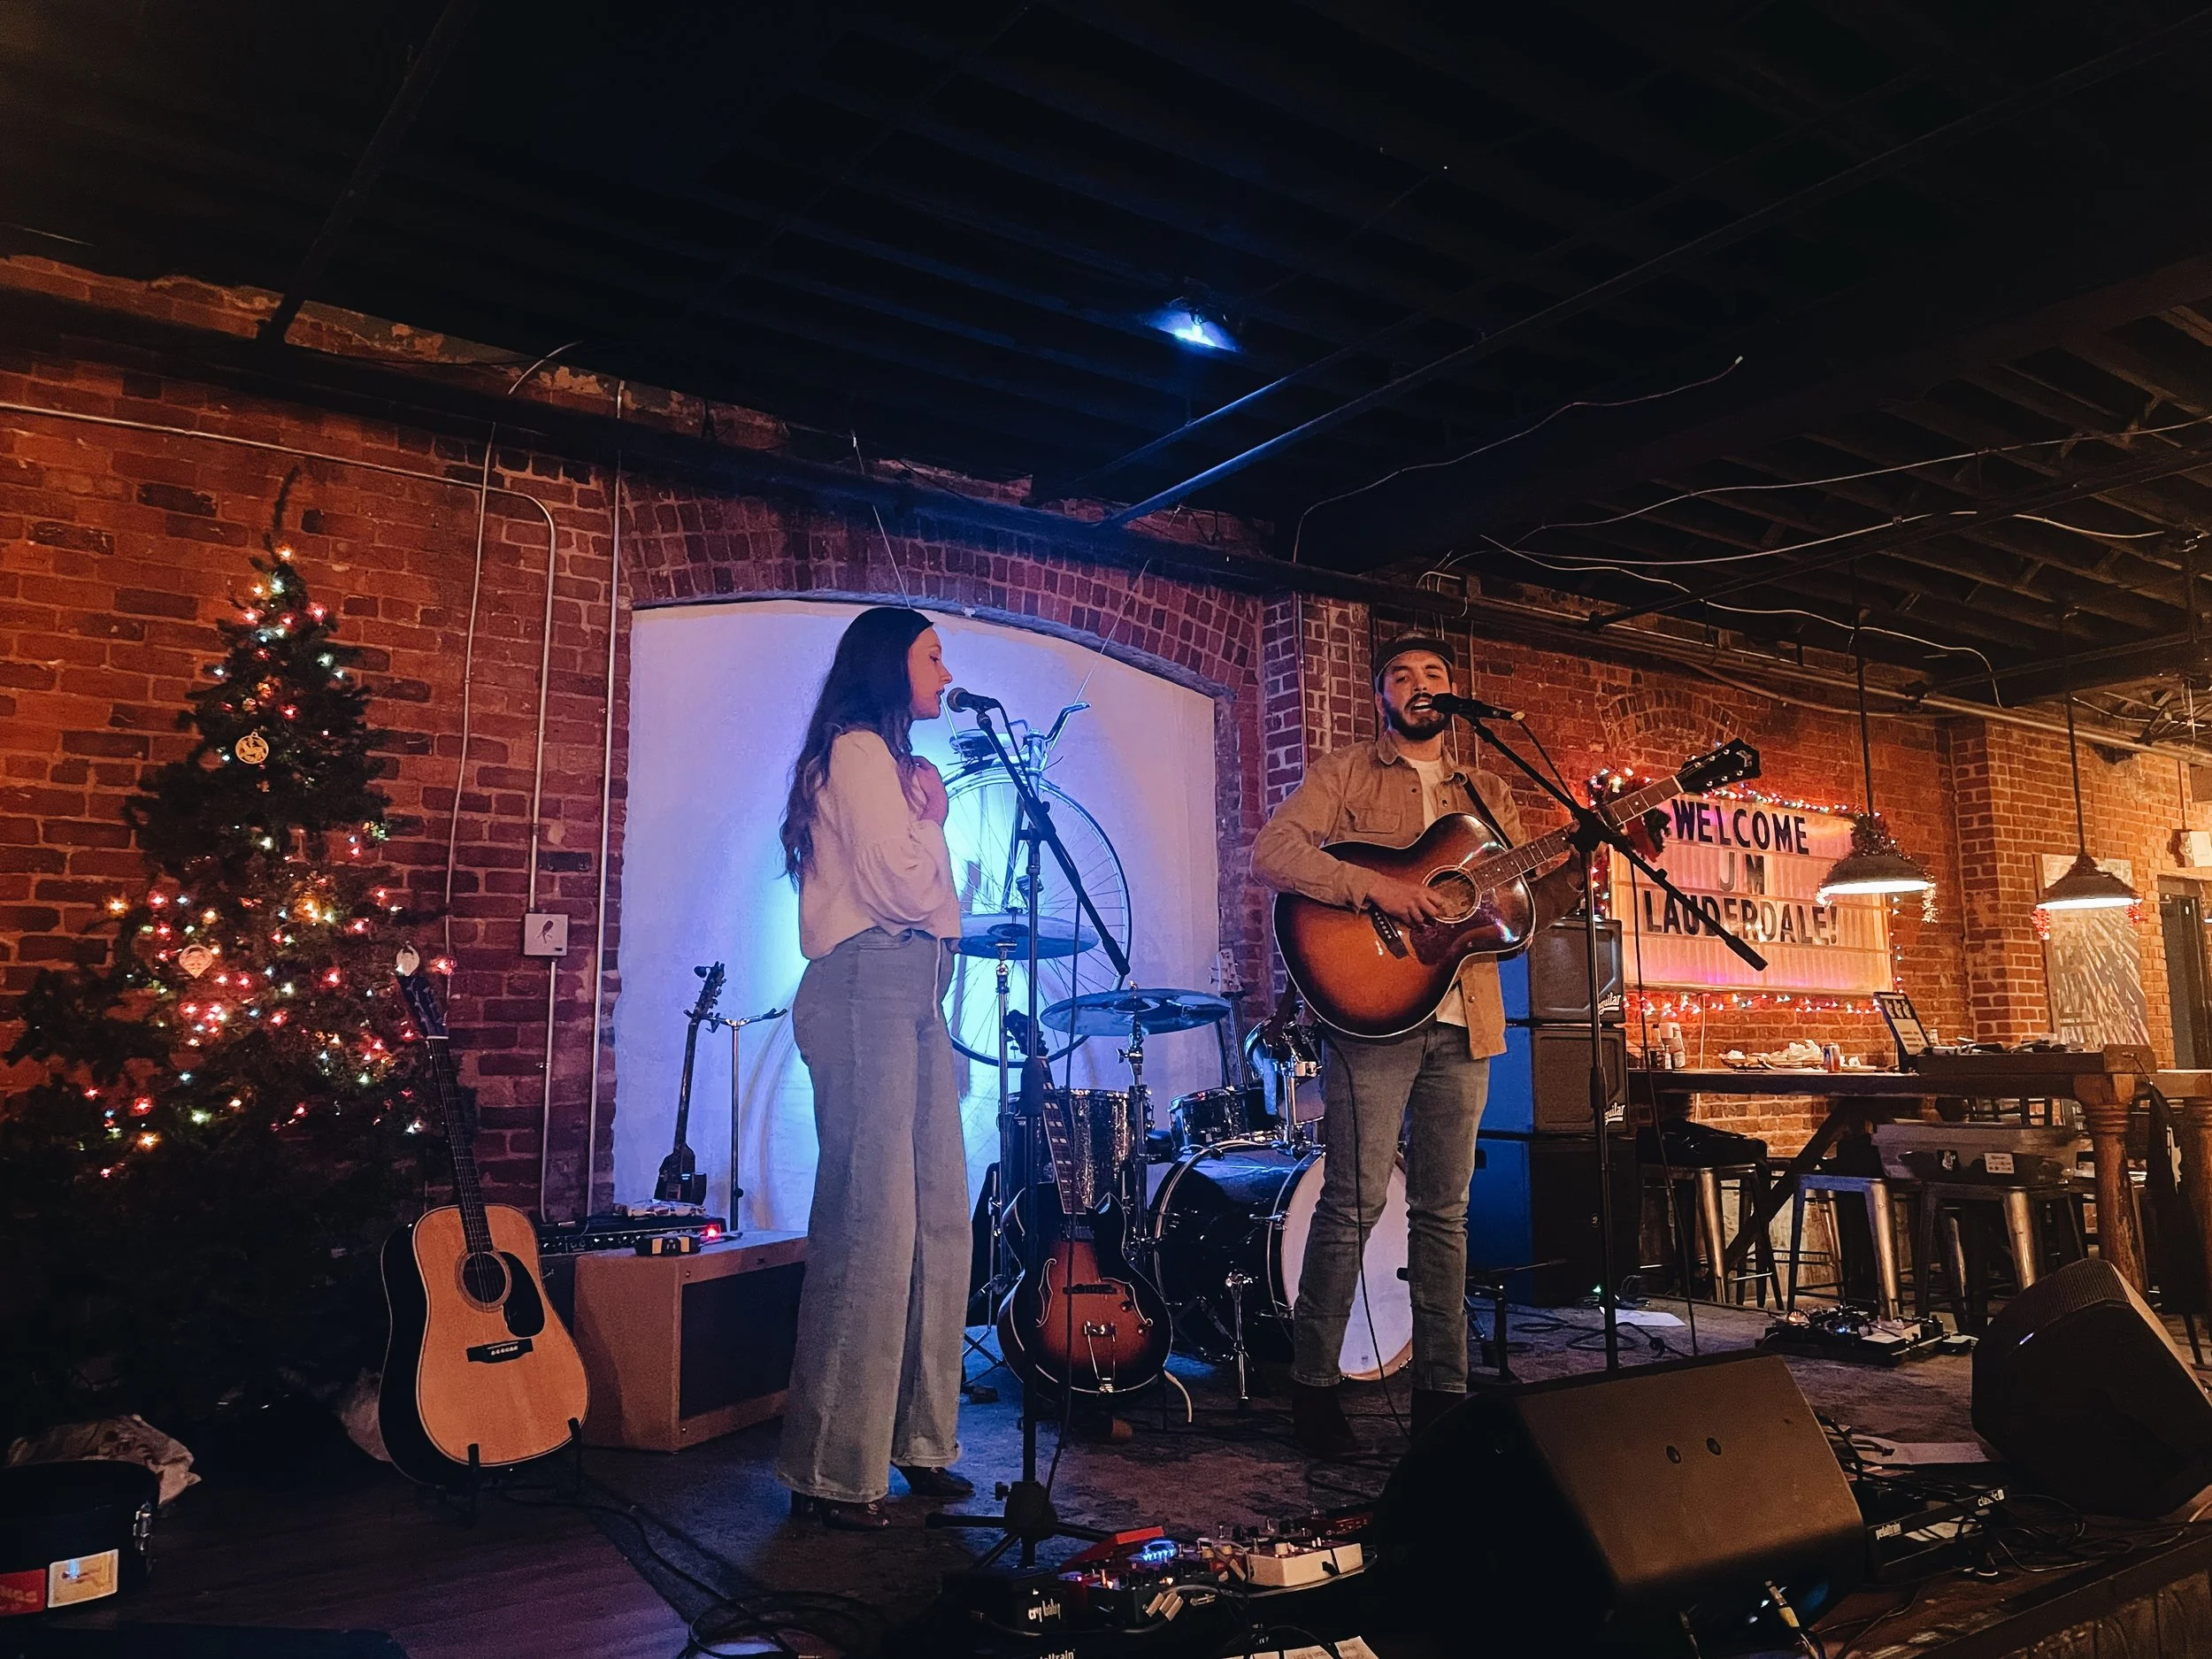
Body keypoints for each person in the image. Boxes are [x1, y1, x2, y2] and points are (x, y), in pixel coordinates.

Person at [1251, 636, 1649, 1457]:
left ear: (1453, 693)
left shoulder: (1488, 789)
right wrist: (1381, 888)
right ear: (1380, 697)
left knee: (1446, 1211)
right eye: (1402, 676)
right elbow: (1274, 852)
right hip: (1371, 1010)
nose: (1420, 685)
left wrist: (1584, 854)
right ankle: (1315, 1387)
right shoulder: (1347, 774)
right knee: (1354, 1200)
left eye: (1434, 675)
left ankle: (1443, 1392)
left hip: (1467, 1015)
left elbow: (1516, 913)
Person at [774, 606, 974, 1530]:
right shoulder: (857, 752)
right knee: (872, 1225)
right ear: (888, 666)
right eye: (931, 655)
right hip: (865, 983)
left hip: (917, 986)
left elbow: (939, 905)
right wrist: (932, 828)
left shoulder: (890, 766)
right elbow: (908, 886)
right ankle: (830, 1467)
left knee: (940, 1219)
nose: (944, 669)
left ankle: (921, 1442)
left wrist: (926, 836)